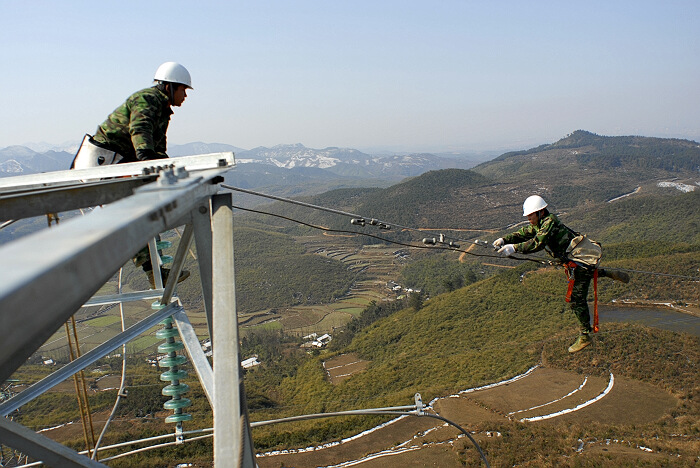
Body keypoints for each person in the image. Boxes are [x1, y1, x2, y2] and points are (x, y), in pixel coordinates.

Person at [71, 62, 193, 288]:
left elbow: (158, 145)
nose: (185, 95)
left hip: (119, 160)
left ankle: (156, 273)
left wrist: (163, 165)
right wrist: (146, 160)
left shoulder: (163, 110)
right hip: (105, 161)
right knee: (135, 211)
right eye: (183, 89)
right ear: (169, 86)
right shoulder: (147, 99)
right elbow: (141, 128)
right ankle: (154, 273)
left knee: (142, 208)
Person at [493, 195, 629, 353]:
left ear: (540, 212)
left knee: (576, 299)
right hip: (574, 261)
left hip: (578, 261)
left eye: (531, 215)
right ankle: (607, 273)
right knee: (585, 275)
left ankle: (585, 335)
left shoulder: (549, 222)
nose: (529, 219)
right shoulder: (541, 223)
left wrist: (515, 248)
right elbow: (525, 233)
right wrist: (504, 239)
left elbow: (538, 243)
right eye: (528, 216)